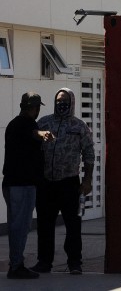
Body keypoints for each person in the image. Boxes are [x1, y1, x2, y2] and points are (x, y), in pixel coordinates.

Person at [32, 88, 94, 275]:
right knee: (44, 225)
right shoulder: (44, 122)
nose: (61, 104)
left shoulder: (79, 126)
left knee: (73, 225)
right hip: (46, 183)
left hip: (69, 182)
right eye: (59, 100)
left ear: (72, 102)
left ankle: (75, 262)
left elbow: (89, 154)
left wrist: (88, 180)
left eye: (65, 100)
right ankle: (44, 262)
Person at [2, 92, 54, 279]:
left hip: (15, 183)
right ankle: (16, 266)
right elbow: (33, 133)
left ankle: (17, 264)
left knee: (19, 225)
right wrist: (42, 134)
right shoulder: (25, 124)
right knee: (20, 226)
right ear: (34, 108)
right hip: (21, 185)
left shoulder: (15, 124)